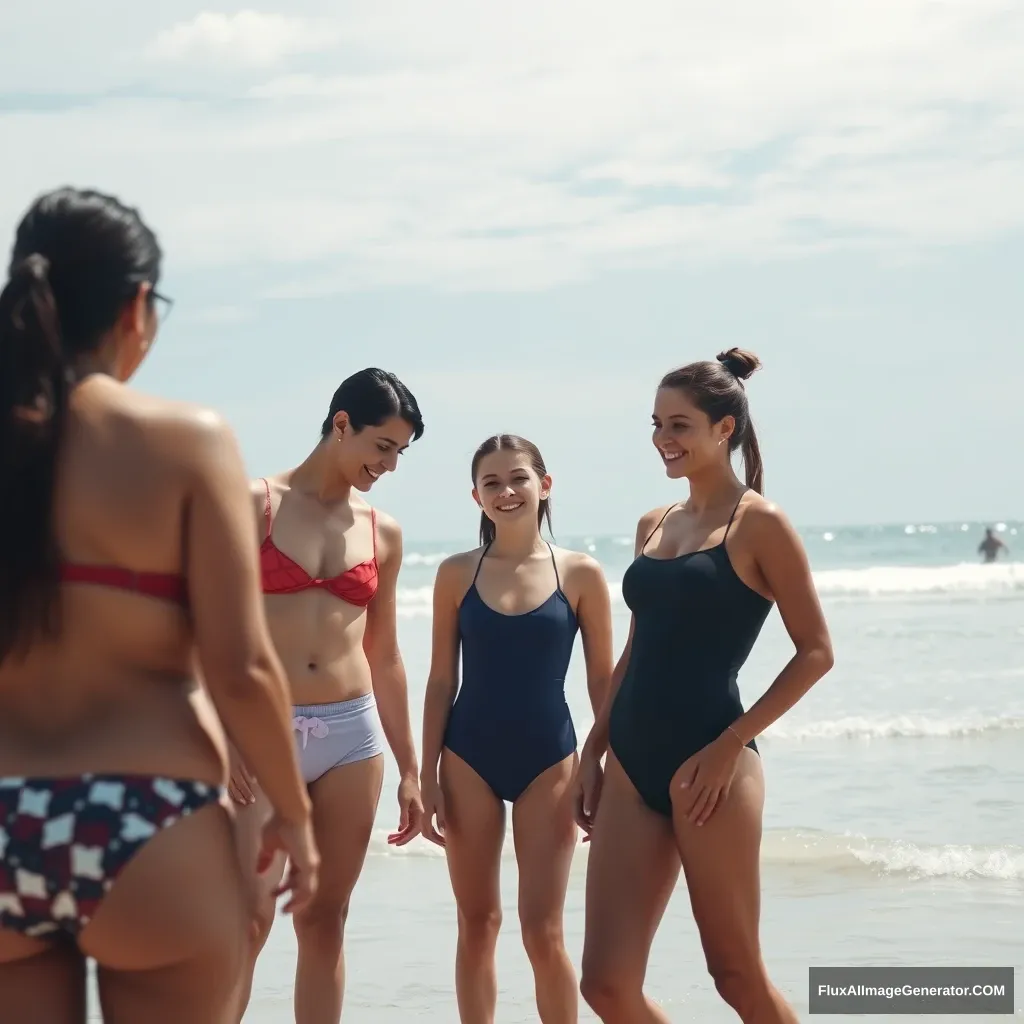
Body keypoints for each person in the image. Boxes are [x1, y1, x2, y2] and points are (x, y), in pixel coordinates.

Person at [0, 187, 318, 1024]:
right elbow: (241, 667)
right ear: (137, 306)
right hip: (150, 819)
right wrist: (294, 815)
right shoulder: (185, 439)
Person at [574, 349, 834, 1023]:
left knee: (735, 975)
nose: (663, 438)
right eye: (657, 424)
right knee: (605, 985)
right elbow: (639, 647)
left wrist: (731, 744)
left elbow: (816, 652)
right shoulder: (653, 524)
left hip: (711, 765)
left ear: (725, 428)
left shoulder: (760, 523)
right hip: (631, 762)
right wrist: (594, 745)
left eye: (680, 425)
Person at [231, 368, 425, 1023]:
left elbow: (387, 655)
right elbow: (199, 627)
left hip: (351, 735)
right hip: (260, 734)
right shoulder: (250, 503)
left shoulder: (382, 531)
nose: (390, 464)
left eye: (401, 452)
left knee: (325, 921)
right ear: (342, 422)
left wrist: (411, 767)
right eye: (383, 445)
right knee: (246, 921)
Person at [420, 434, 616, 1024]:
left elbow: (602, 684)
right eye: (492, 483)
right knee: (477, 924)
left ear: (544, 484)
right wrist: (424, 773)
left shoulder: (580, 573)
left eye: (518, 478)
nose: (506, 492)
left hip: (549, 759)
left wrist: (598, 764)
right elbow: (437, 682)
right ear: (476, 496)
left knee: (543, 930)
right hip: (466, 759)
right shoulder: (456, 574)